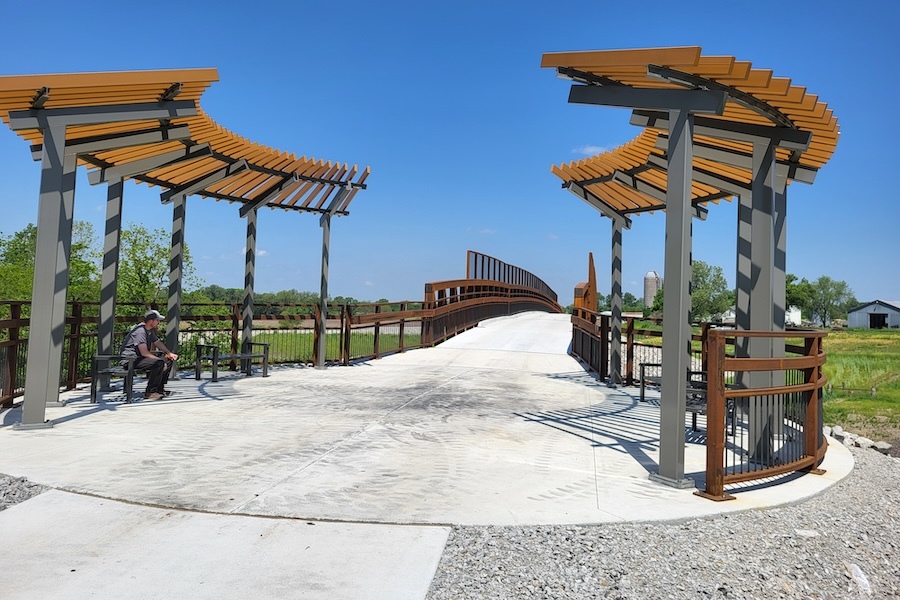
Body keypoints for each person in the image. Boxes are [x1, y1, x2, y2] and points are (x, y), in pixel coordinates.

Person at [119, 309, 179, 400]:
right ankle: (150, 392)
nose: (159, 322)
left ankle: (159, 390)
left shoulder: (149, 331)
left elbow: (157, 343)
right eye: (157, 320)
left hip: (139, 359)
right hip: (130, 360)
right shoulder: (140, 331)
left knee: (168, 360)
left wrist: (169, 353)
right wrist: (158, 360)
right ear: (151, 321)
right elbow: (144, 352)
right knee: (159, 363)